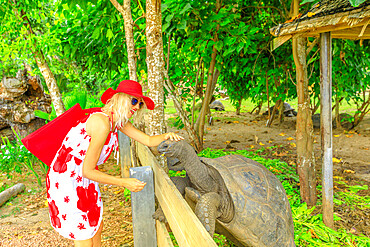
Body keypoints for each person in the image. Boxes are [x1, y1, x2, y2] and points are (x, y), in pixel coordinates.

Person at [46, 80, 183, 247]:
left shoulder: (118, 122)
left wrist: (167, 136)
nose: (137, 106)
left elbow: (147, 140)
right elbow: (87, 170)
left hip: (82, 176)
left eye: (140, 103)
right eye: (134, 101)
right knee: (84, 234)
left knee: (96, 225)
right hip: (67, 178)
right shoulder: (101, 123)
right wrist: (124, 182)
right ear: (119, 98)